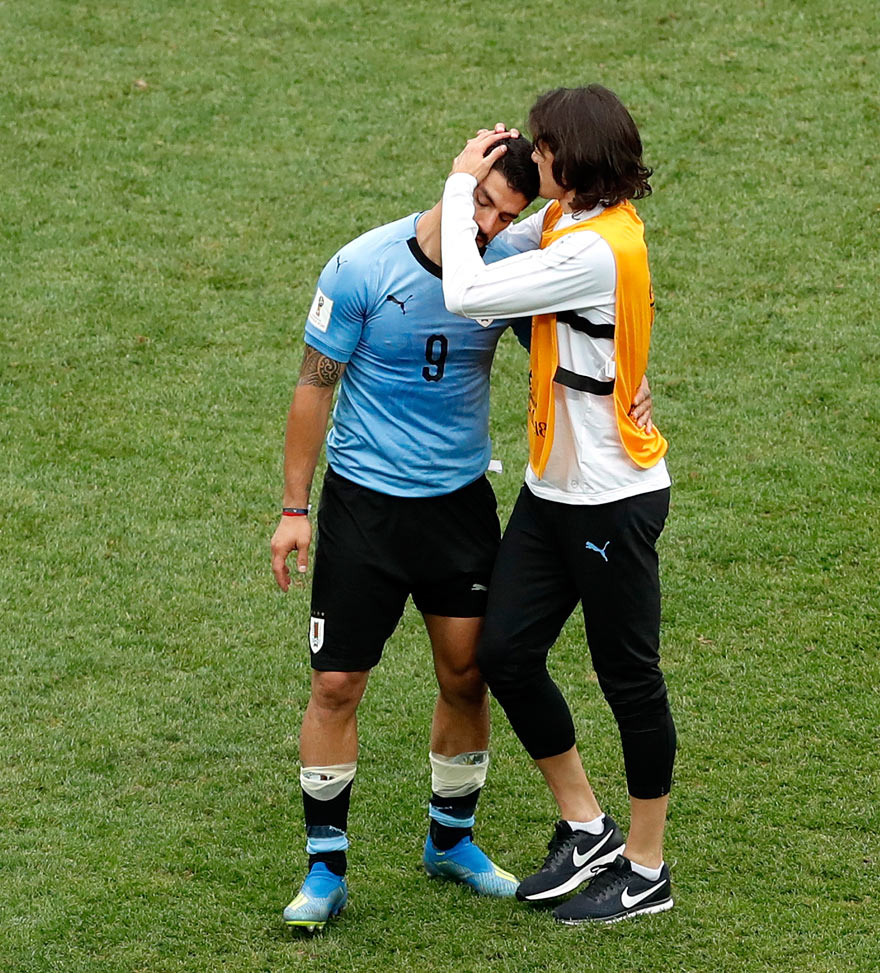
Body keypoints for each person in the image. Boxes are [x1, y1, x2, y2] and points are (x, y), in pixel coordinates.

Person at [268, 134, 653, 930]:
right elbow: (313, 388)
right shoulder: (361, 267)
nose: (485, 223)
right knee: (336, 684)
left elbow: (579, 331)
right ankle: (324, 868)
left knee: (467, 673)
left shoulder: (504, 268)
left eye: (504, 212)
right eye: (479, 200)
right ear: (454, 180)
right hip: (364, 511)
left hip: (459, 507)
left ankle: (451, 842)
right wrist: (294, 508)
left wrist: (633, 386)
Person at [439, 85, 676, 925]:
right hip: (550, 493)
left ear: (568, 160)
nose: (533, 157)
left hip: (612, 502)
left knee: (628, 680)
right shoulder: (572, 225)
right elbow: (505, 251)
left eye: (541, 147)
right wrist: (491, 189)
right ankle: (587, 826)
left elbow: (468, 292)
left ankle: (646, 869)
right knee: (505, 653)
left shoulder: (593, 248)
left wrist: (454, 182)